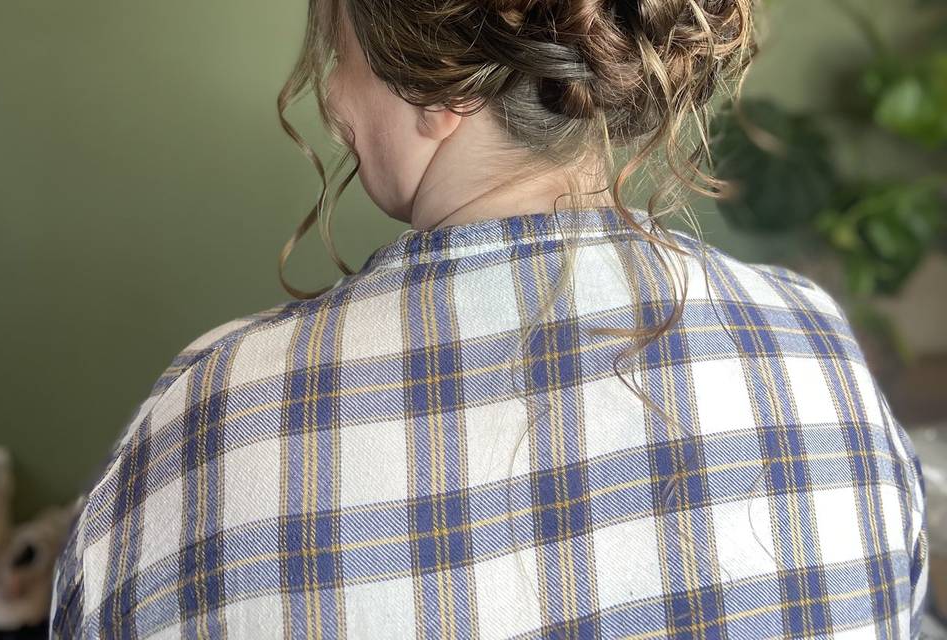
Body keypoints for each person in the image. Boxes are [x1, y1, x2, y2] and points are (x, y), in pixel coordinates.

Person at [50, 0, 929, 637]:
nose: (331, 101)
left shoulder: (214, 417)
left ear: (443, 91)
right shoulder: (813, 346)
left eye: (341, 48)